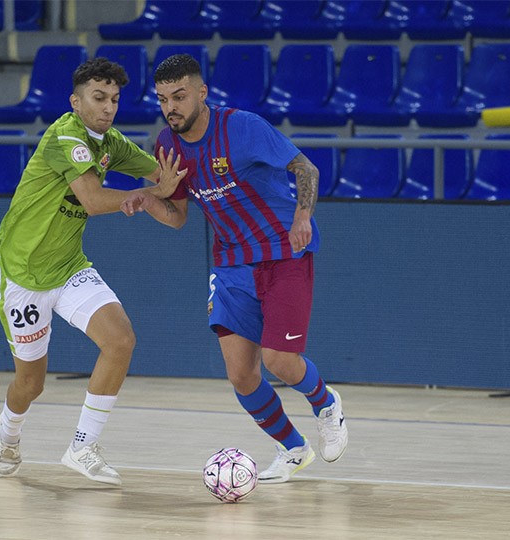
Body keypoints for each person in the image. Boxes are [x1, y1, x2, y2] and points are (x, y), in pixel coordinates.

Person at [120, 54, 348, 483]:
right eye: (163, 99)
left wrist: (303, 216)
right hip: (230, 264)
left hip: (283, 252)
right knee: (242, 374)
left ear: (201, 93)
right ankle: (293, 449)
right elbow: (179, 216)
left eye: (180, 96)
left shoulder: (242, 127)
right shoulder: (167, 146)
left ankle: (326, 403)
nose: (171, 107)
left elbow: (305, 167)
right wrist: (149, 199)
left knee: (281, 360)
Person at [0, 57, 187, 485]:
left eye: (115, 99)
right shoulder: (66, 135)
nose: (108, 107)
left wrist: (185, 182)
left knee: (120, 340)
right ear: (76, 101)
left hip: (69, 268)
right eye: (99, 98)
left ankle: (82, 446)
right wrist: (150, 194)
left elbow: (165, 177)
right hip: (24, 274)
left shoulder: (110, 143)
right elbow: (94, 201)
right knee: (31, 383)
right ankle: (8, 435)